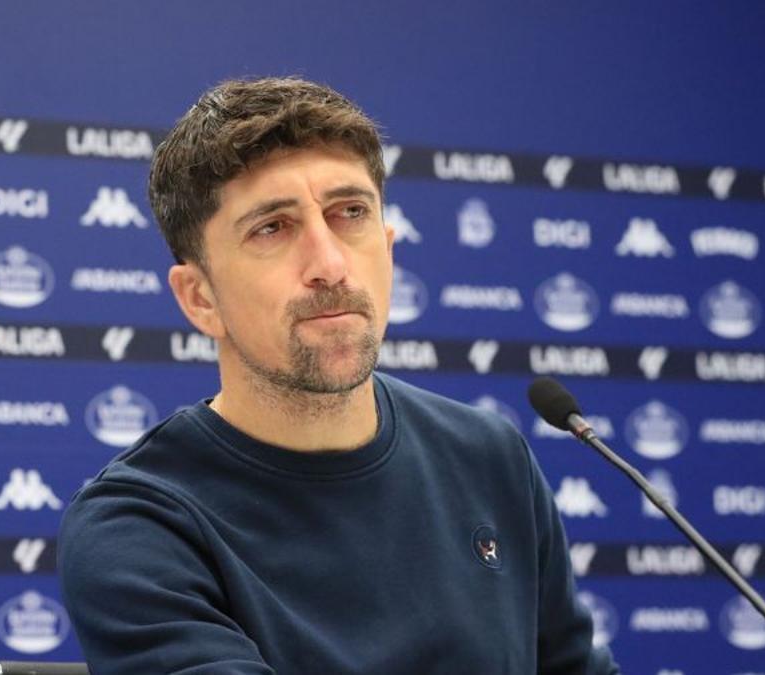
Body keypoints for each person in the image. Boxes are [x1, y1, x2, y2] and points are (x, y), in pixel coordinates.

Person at [58, 76, 619, 674]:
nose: (330, 264)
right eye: (272, 227)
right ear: (199, 298)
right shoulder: (139, 525)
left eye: (350, 213)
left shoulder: (489, 455)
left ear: (388, 245)